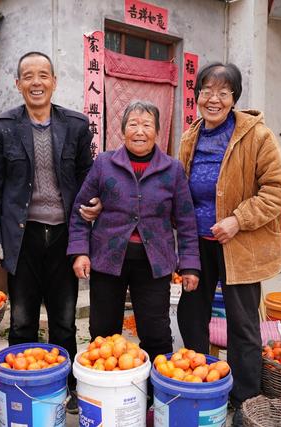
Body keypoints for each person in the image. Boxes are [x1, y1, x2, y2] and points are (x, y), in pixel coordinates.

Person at [0, 51, 101, 413]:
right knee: (22, 319)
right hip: (22, 237)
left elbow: (85, 177)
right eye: (28, 76)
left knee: (64, 319)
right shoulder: (0, 127)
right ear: (17, 84)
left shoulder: (75, 125)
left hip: (65, 235)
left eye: (43, 75)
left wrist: (93, 205)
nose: (36, 82)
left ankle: (67, 387)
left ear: (54, 82)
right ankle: (21, 389)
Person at [176, 62, 281, 426]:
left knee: (243, 324)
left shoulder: (257, 136)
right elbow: (178, 189)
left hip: (240, 245)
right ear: (197, 97)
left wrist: (237, 220)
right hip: (198, 243)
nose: (214, 99)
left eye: (223, 92)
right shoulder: (190, 137)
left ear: (234, 98)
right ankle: (198, 384)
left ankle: (245, 400)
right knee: (191, 315)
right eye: (207, 91)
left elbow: (277, 189)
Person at [67, 100, 200, 372]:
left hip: (155, 264)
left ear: (158, 132)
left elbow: (186, 220)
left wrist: (189, 266)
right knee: (103, 332)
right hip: (108, 261)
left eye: (147, 125)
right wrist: (80, 251)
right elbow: (81, 210)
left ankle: (154, 393)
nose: (140, 131)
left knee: (156, 332)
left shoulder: (172, 170)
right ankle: (103, 387)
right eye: (133, 124)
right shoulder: (104, 164)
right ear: (123, 130)